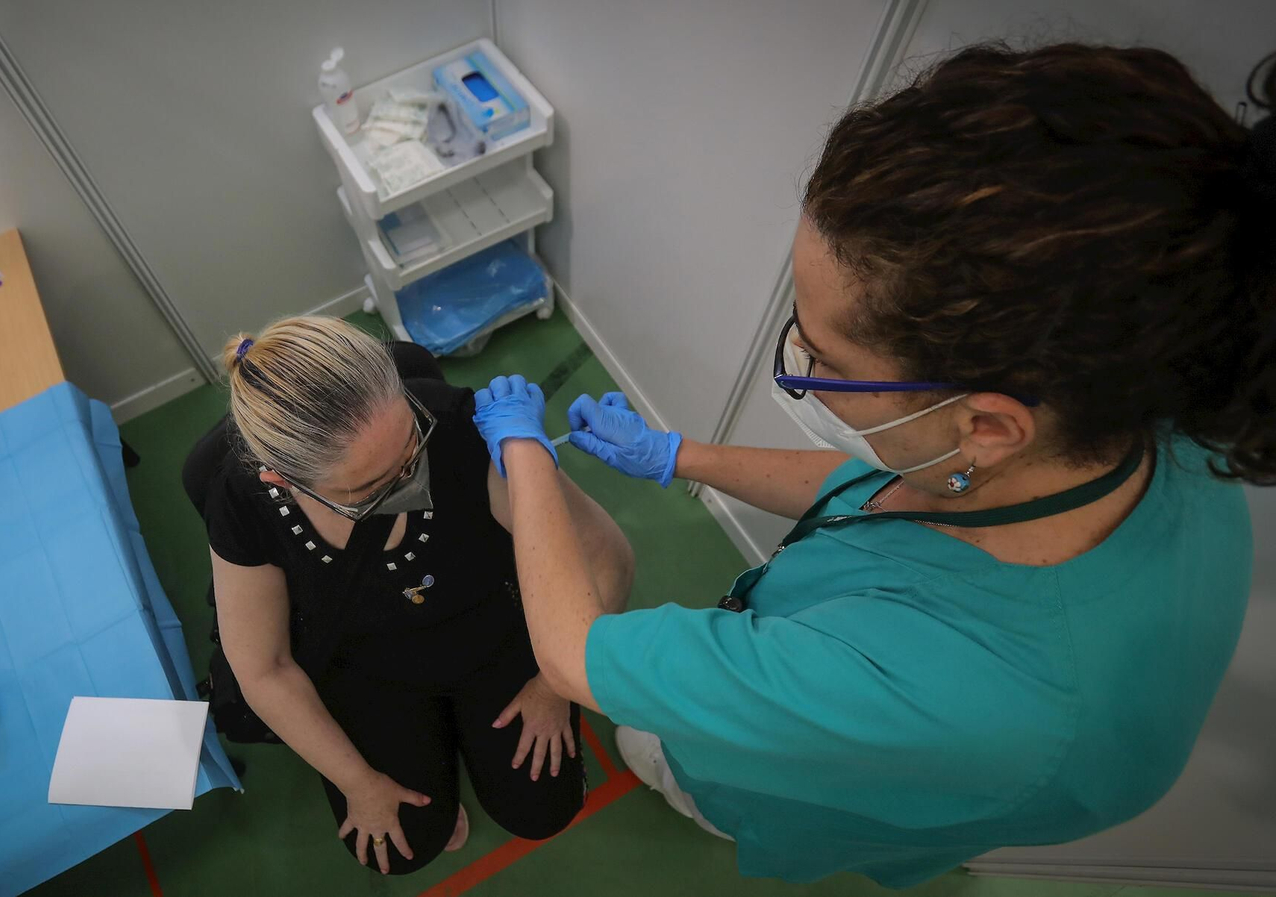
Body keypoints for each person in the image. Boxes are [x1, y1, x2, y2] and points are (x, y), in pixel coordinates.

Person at [469, 43, 1275, 887]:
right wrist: (679, 455)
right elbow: (877, 495)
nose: (803, 371)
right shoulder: (1129, 427)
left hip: (755, 782)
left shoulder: (968, 688)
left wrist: (524, 451)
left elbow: (572, 653)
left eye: (825, 360)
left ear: (988, 423)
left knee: (659, 751)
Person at [183, 316, 633, 875]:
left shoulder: (455, 422)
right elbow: (263, 667)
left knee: (544, 812)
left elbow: (606, 560)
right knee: (403, 848)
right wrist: (358, 782)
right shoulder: (243, 499)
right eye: (373, 489)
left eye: (412, 445)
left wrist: (554, 684)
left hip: (491, 634)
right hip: (362, 667)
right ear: (282, 481)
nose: (413, 478)